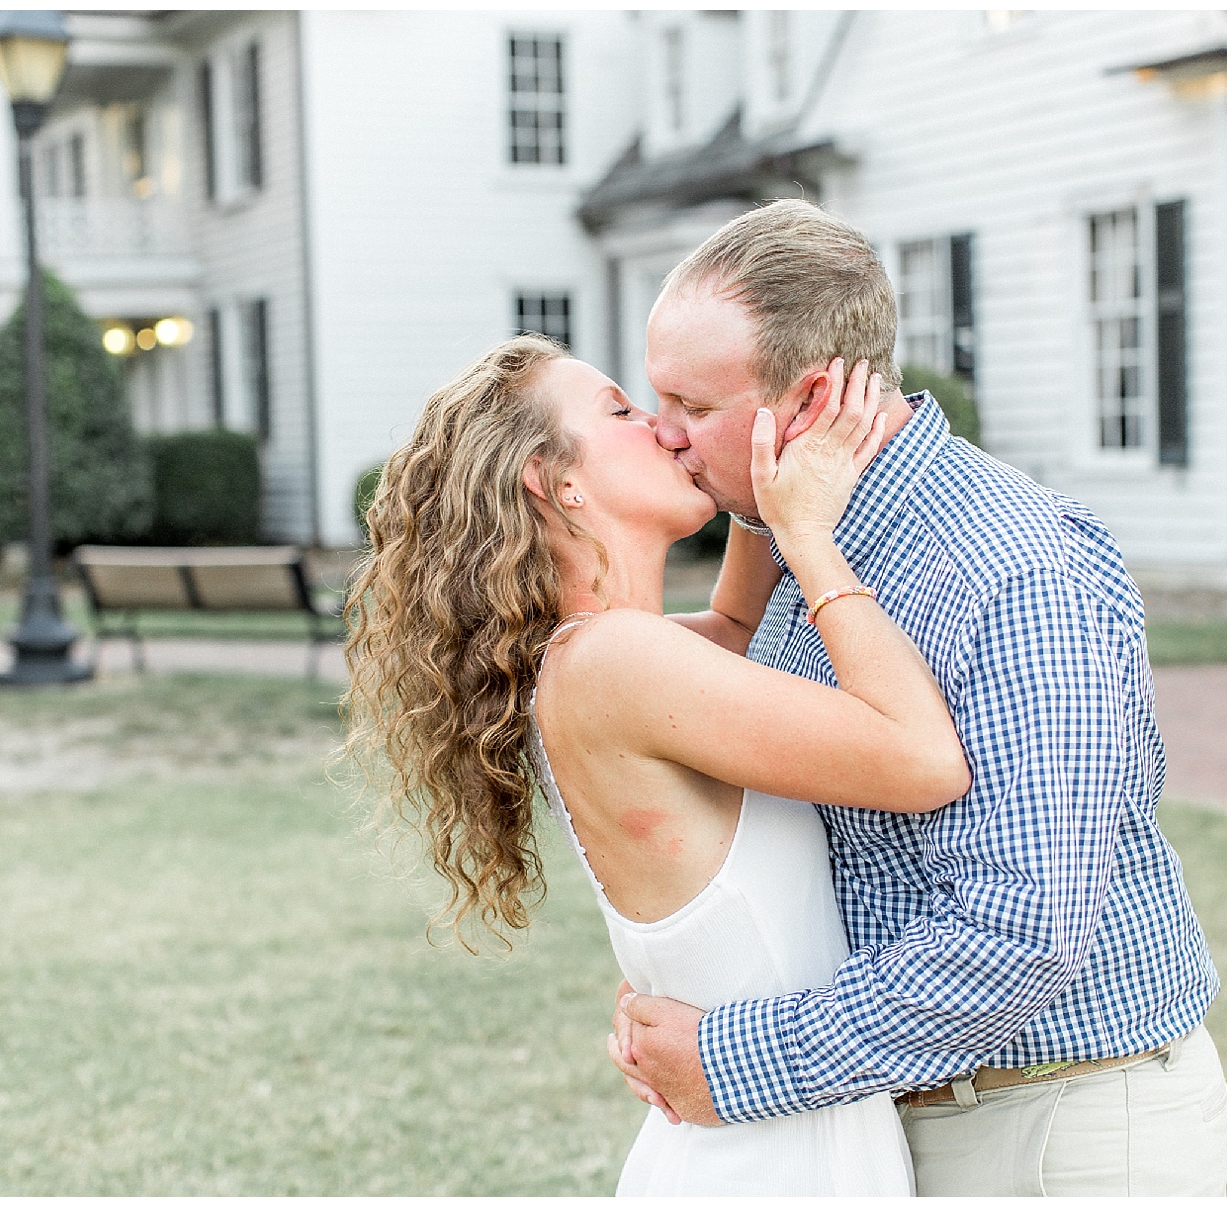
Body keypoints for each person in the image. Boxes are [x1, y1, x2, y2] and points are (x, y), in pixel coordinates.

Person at [609, 199, 1227, 1196]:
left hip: (1058, 1124)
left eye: (692, 406)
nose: (664, 434)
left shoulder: (1014, 573)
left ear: (808, 404)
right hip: (901, 1115)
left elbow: (1019, 934)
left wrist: (730, 1059)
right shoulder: (793, 529)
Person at [339, 333, 972, 1194]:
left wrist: (760, 442)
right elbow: (925, 759)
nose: (668, 430)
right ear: (554, 481)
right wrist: (810, 537)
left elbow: (740, 629)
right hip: (772, 1163)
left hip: (765, 1143)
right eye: (623, 412)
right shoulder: (617, 665)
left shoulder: (601, 659)